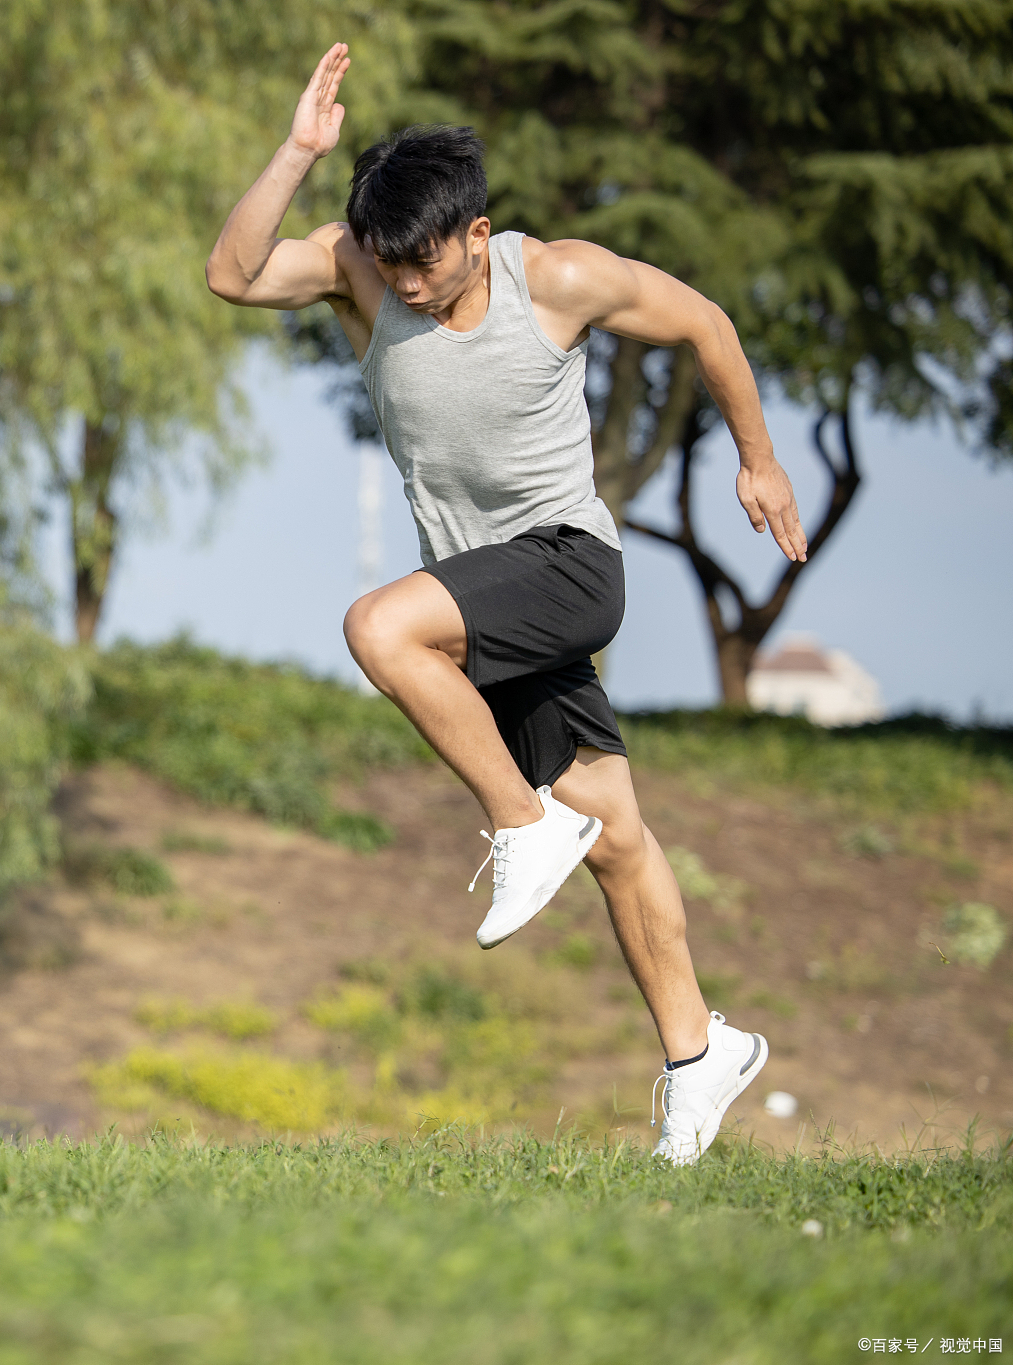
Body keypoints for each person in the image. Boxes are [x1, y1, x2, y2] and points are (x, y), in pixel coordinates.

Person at [205, 44, 802, 1164]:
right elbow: (231, 275)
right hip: (480, 608)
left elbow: (705, 324)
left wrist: (756, 461)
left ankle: (523, 827)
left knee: (375, 627)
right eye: (392, 263)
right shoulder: (361, 271)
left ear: (476, 235)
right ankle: (696, 1056)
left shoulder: (557, 277)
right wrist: (296, 152)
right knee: (618, 838)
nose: (409, 284)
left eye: (426, 262)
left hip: (566, 564)